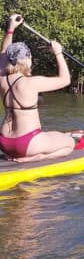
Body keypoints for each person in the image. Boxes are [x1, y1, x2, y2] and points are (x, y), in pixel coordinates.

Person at [0, 13, 75, 162]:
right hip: (27, 144)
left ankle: (16, 154)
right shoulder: (32, 82)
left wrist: (10, 30)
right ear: (26, 59)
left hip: (5, 143)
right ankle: (36, 158)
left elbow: (3, 53)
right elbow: (65, 80)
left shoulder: (2, 78)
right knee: (69, 143)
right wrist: (58, 53)